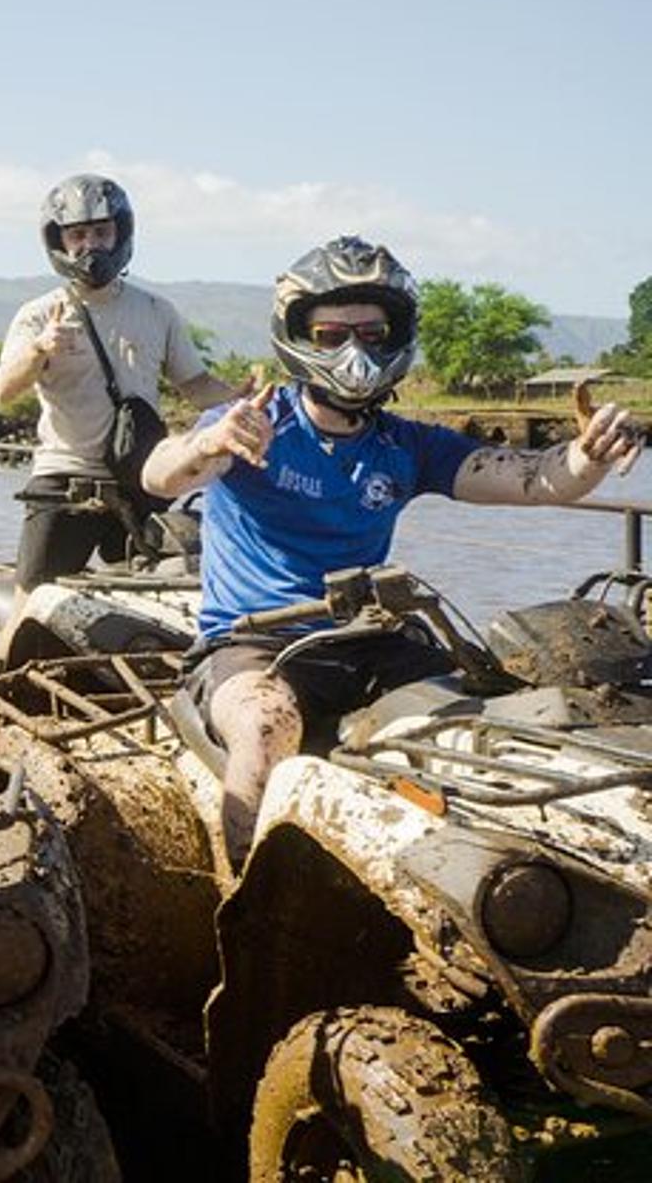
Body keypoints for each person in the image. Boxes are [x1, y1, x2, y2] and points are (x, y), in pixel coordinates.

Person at [142, 236, 641, 865]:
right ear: (298, 336)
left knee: (482, 727)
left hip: (370, 639)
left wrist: (589, 455)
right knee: (267, 731)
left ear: (395, 338)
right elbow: (159, 477)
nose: (353, 352)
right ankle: (240, 883)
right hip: (253, 644)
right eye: (330, 335)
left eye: (372, 334)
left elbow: (532, 478)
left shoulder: (406, 445)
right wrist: (206, 445)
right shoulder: (252, 423)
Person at [0, 173, 242, 589]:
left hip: (139, 476)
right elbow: (4, 390)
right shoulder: (38, 315)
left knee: (161, 593)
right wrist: (39, 350)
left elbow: (195, 383)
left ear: (120, 234)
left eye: (101, 232)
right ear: (59, 241)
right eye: (77, 235)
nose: (90, 244)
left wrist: (241, 402)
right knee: (31, 594)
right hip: (65, 477)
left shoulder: (156, 310)